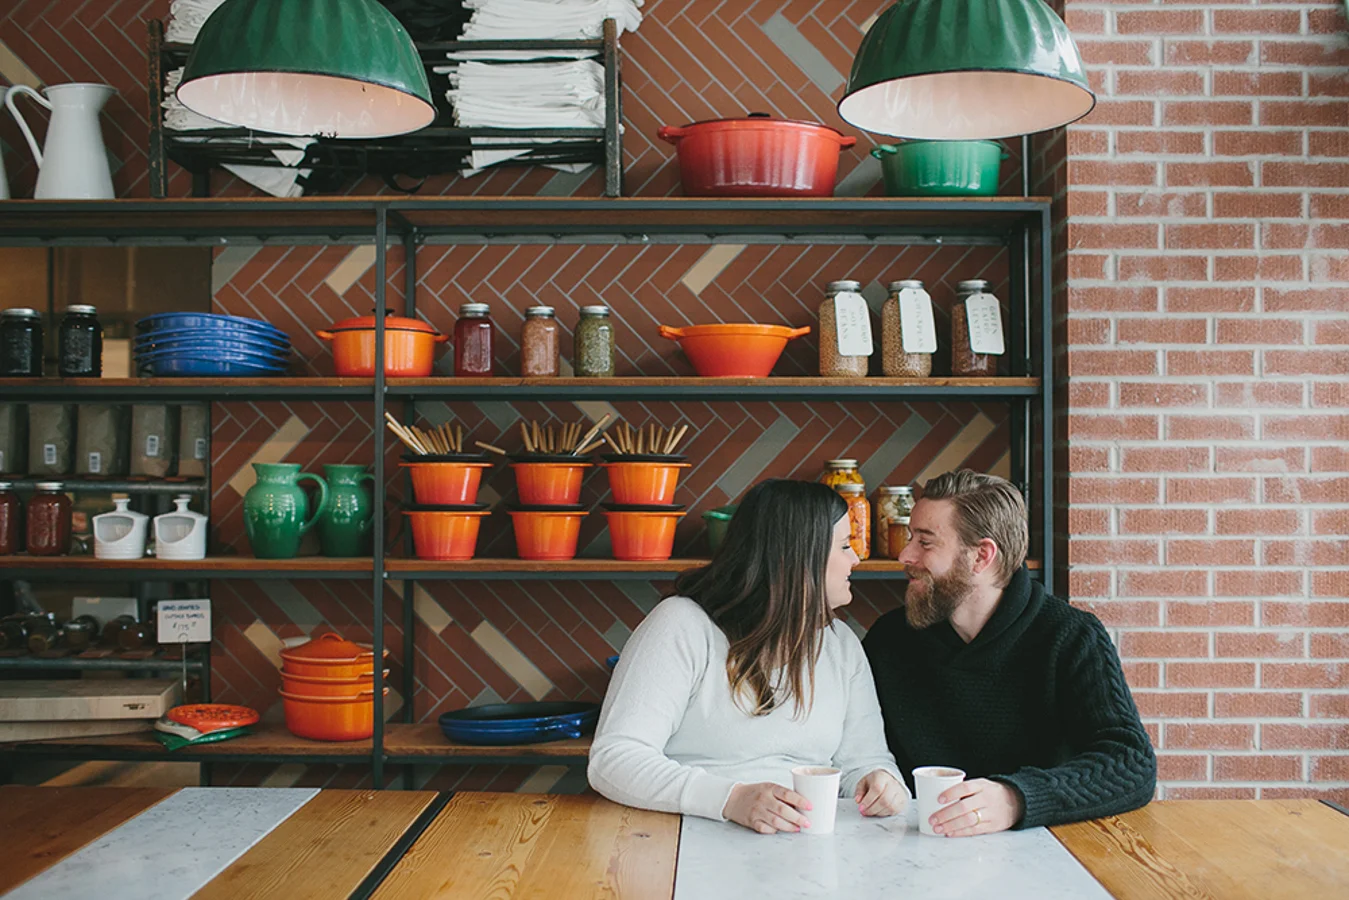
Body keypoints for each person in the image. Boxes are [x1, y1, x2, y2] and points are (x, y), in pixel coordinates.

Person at [588, 478, 908, 834]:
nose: (855, 559)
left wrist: (881, 783)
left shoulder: (841, 645)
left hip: (805, 848)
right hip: (686, 838)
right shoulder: (683, 625)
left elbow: (865, 762)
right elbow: (614, 760)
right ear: (795, 555)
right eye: (845, 545)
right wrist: (730, 800)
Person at [864, 469, 1156, 837]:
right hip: (909, 847)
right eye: (910, 538)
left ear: (981, 556)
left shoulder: (1071, 636)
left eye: (925, 542)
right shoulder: (889, 639)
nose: (905, 555)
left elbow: (1131, 764)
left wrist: (1015, 799)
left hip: (1041, 852)